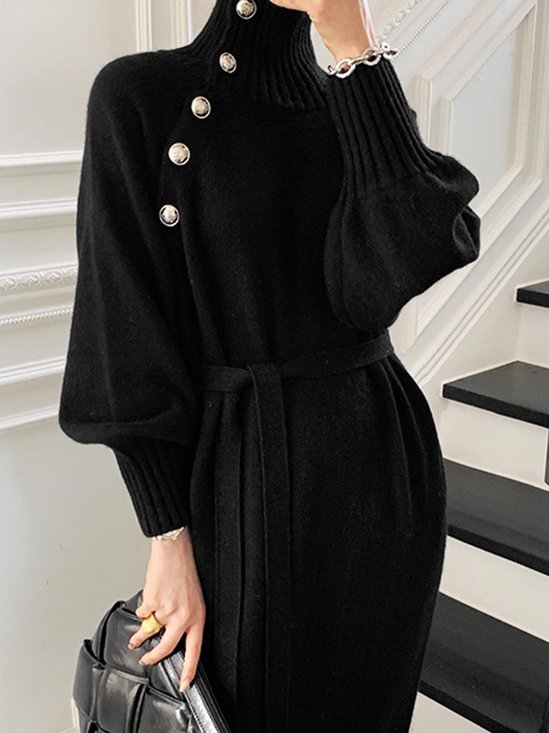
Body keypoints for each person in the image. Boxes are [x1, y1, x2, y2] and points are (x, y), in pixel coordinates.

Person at [58, 0, 481, 731]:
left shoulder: (354, 93)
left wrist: (349, 37)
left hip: (385, 481)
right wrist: (167, 537)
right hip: (240, 480)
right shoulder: (140, 96)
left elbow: (391, 271)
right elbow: (123, 335)